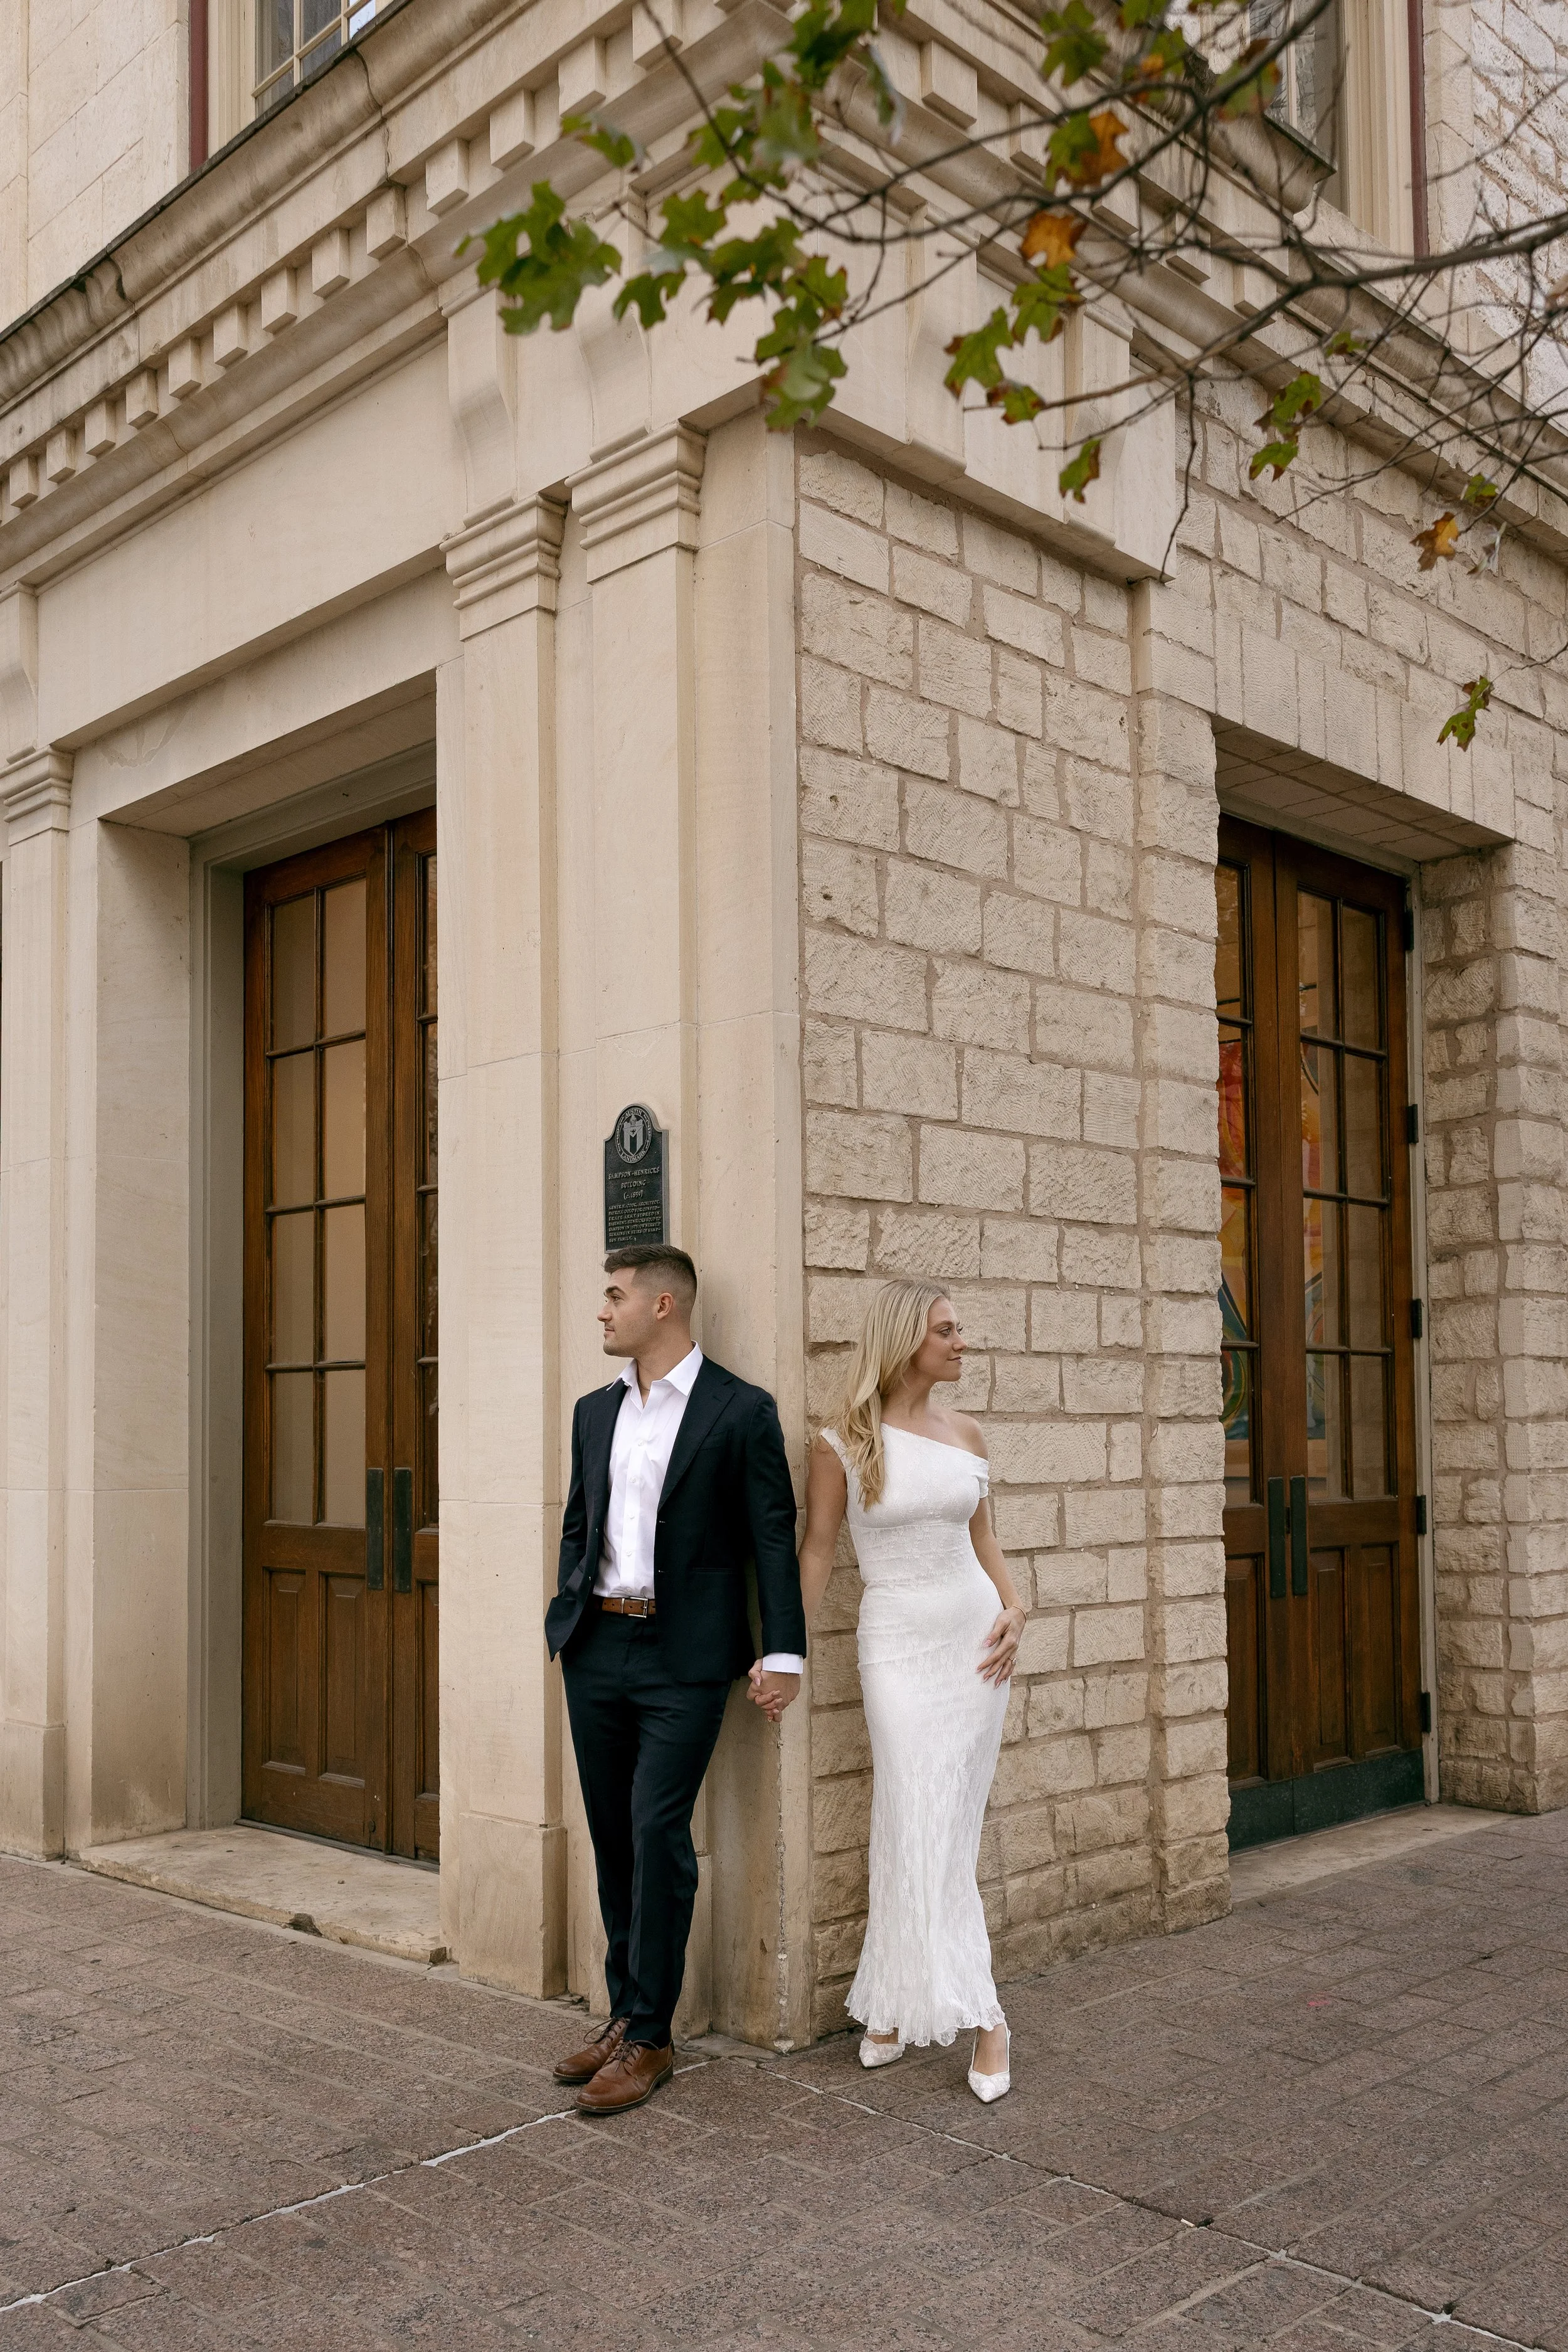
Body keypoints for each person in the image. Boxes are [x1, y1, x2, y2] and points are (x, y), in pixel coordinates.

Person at [546, 1244, 807, 2115]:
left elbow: (773, 1534)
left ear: (664, 1305)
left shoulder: (739, 1410)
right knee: (614, 1834)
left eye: (614, 1295)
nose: (603, 1310)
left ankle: (653, 2035)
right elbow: (579, 1525)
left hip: (684, 1658)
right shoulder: (593, 1411)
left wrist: (785, 1651)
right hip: (598, 1649)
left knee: (658, 1831)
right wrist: (568, 1613)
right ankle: (625, 2010)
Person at [753, 1278, 1024, 2101]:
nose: (961, 1340)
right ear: (907, 1339)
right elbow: (817, 1553)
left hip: (974, 1646)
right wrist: (784, 1652)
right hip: (898, 1646)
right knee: (914, 1815)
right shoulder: (843, 1443)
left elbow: (984, 1536)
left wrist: (1018, 1605)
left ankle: (962, 2015)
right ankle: (928, 2004)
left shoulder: (967, 1431)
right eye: (947, 1329)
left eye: (960, 1328)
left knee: (943, 1827)